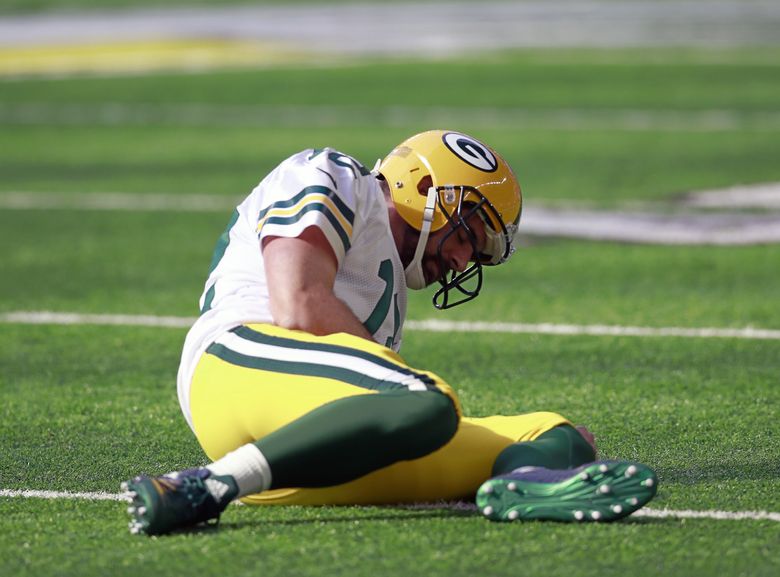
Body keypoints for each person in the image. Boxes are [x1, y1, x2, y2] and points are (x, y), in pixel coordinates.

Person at [123, 130, 657, 535]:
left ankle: (524, 488)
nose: (464, 256)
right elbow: (299, 305)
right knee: (427, 402)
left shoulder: (394, 295)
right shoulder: (334, 175)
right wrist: (412, 401)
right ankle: (208, 485)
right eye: (467, 231)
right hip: (235, 363)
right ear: (425, 186)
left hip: (304, 455)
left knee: (554, 435)